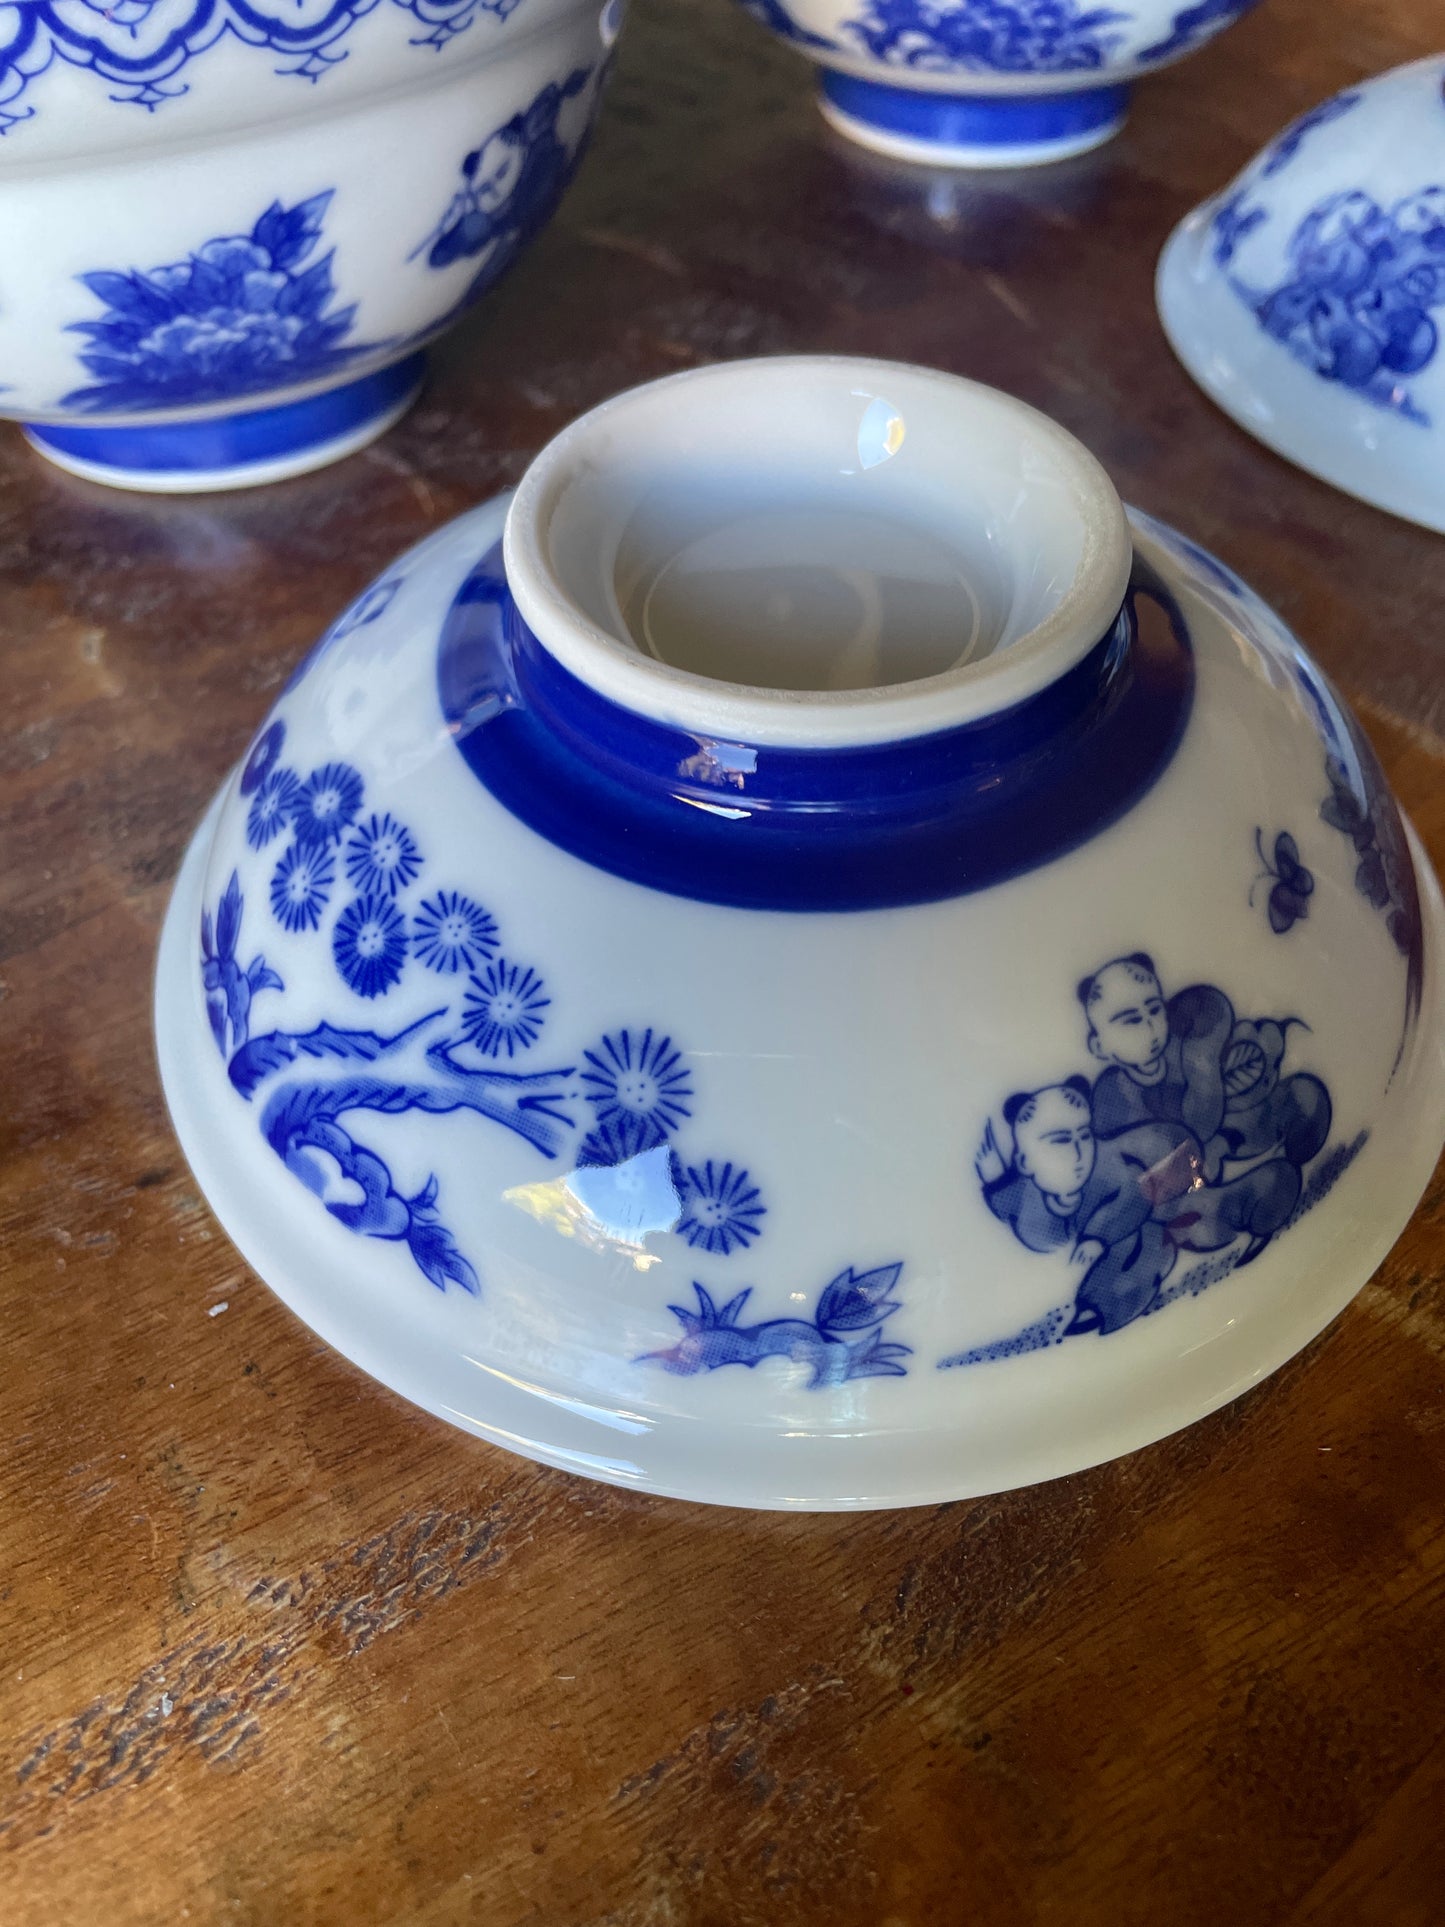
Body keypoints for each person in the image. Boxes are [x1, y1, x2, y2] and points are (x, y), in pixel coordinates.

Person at [978, 1079, 1200, 1334]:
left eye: (1084, 1135)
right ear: (1023, 1162)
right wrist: (989, 1179)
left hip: (1164, 1200)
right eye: (1060, 1140)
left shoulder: (1109, 1173)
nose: (1079, 1152)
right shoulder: (1017, 1200)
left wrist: (1098, 1238)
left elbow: (1138, 1195)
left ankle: (1106, 1311)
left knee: (1141, 1244)